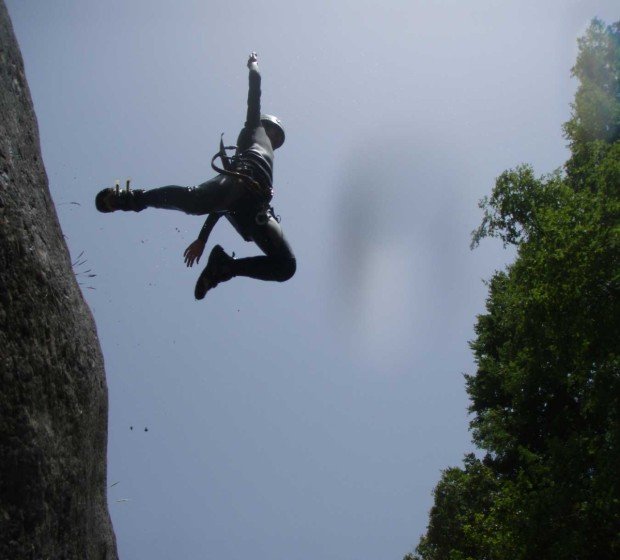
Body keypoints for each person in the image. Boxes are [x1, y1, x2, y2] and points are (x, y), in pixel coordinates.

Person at [95, 53, 296, 300]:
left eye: (278, 139)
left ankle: (224, 267)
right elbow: (255, 94)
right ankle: (130, 198)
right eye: (274, 133)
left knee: (286, 266)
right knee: (197, 200)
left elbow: (222, 208)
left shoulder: (264, 151)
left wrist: (202, 239)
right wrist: (253, 65)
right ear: (265, 126)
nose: (274, 139)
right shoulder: (254, 128)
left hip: (255, 210)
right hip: (241, 181)